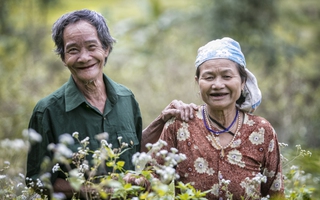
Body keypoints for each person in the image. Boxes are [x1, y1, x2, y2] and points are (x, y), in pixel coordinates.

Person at [26, 9, 197, 199]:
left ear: (106, 48)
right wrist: (96, 190)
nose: (84, 57)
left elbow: (132, 149)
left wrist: (161, 119)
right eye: (73, 50)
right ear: (63, 58)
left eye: (92, 47)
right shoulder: (47, 111)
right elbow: (37, 181)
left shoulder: (126, 97)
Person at [155, 37, 284, 199]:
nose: (217, 85)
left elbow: (276, 193)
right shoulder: (180, 126)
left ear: (243, 82)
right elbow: (151, 182)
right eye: (209, 77)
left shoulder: (261, 131)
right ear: (198, 82)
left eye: (227, 76)